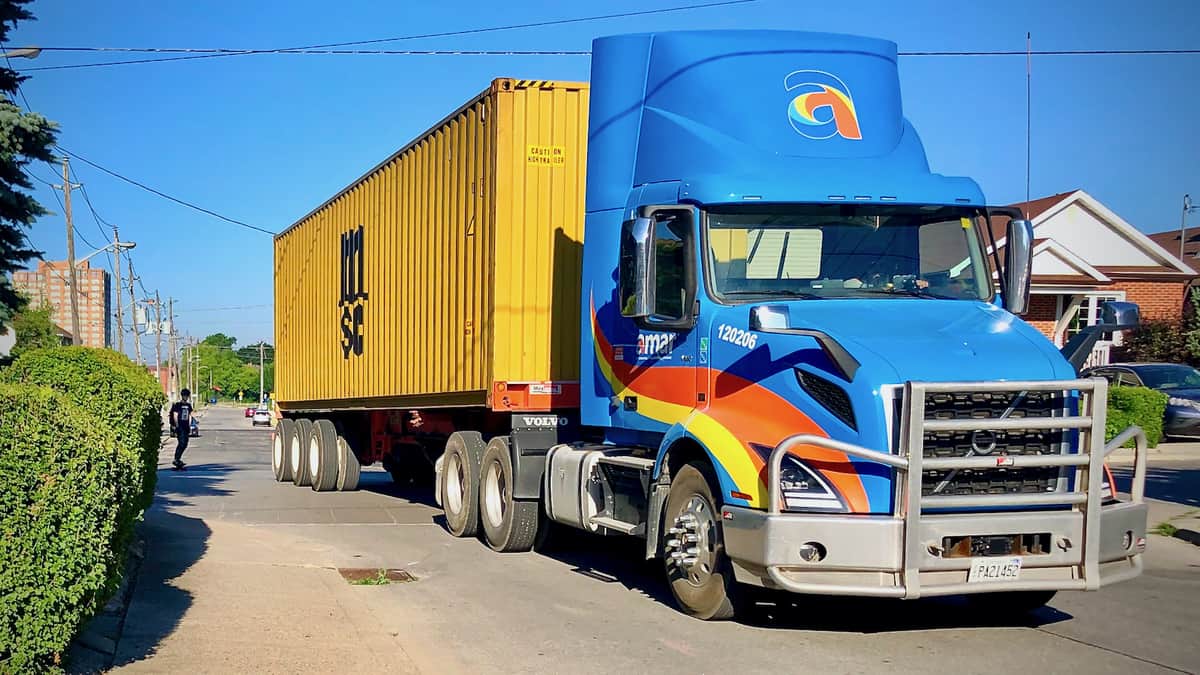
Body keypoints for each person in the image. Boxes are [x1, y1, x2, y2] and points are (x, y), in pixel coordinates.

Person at [169, 389, 194, 471]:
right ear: (182, 396)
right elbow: (175, 415)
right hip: (180, 427)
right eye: (184, 395)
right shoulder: (177, 405)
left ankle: (178, 459)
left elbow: (190, 416)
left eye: (187, 395)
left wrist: (190, 426)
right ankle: (176, 459)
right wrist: (176, 426)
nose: (185, 397)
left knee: (185, 443)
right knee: (181, 443)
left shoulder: (188, 405)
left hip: (186, 427)